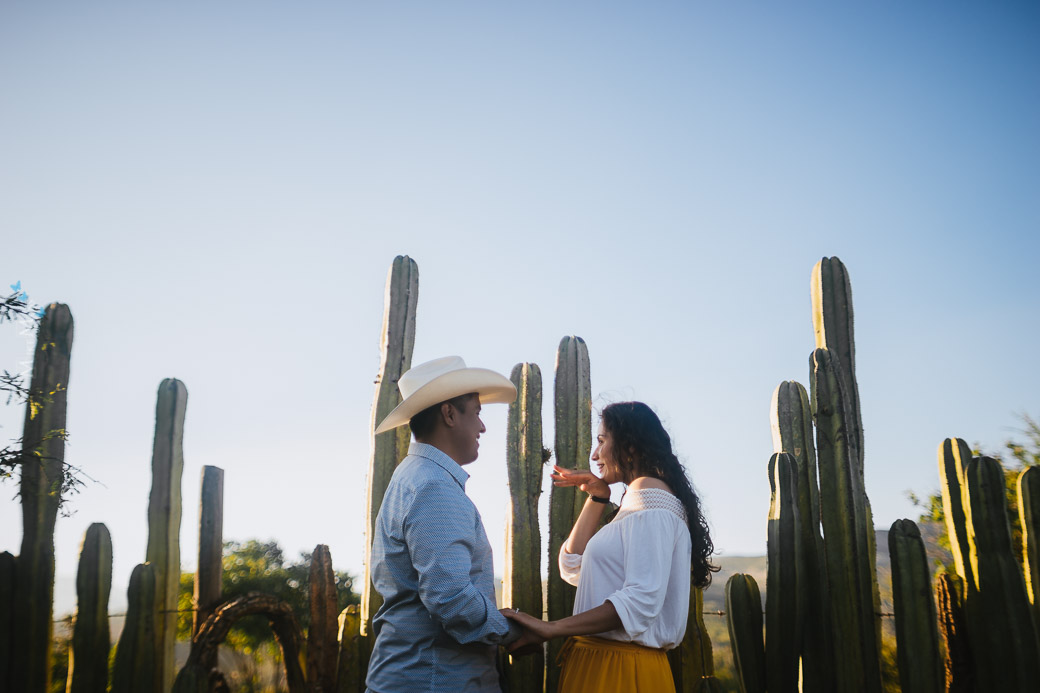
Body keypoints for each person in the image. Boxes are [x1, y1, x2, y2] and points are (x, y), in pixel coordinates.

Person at [503, 401, 717, 693]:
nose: (594, 455)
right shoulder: (637, 501)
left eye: (601, 441)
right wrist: (598, 498)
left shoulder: (649, 501)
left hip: (621, 671)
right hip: (601, 661)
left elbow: (641, 601)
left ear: (629, 447)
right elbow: (574, 567)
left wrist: (552, 629)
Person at [365, 355, 523, 693]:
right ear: (449, 414)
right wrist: (514, 631)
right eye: (477, 412)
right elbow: (450, 598)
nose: (482, 427)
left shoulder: (415, 477)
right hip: (433, 680)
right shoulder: (433, 486)